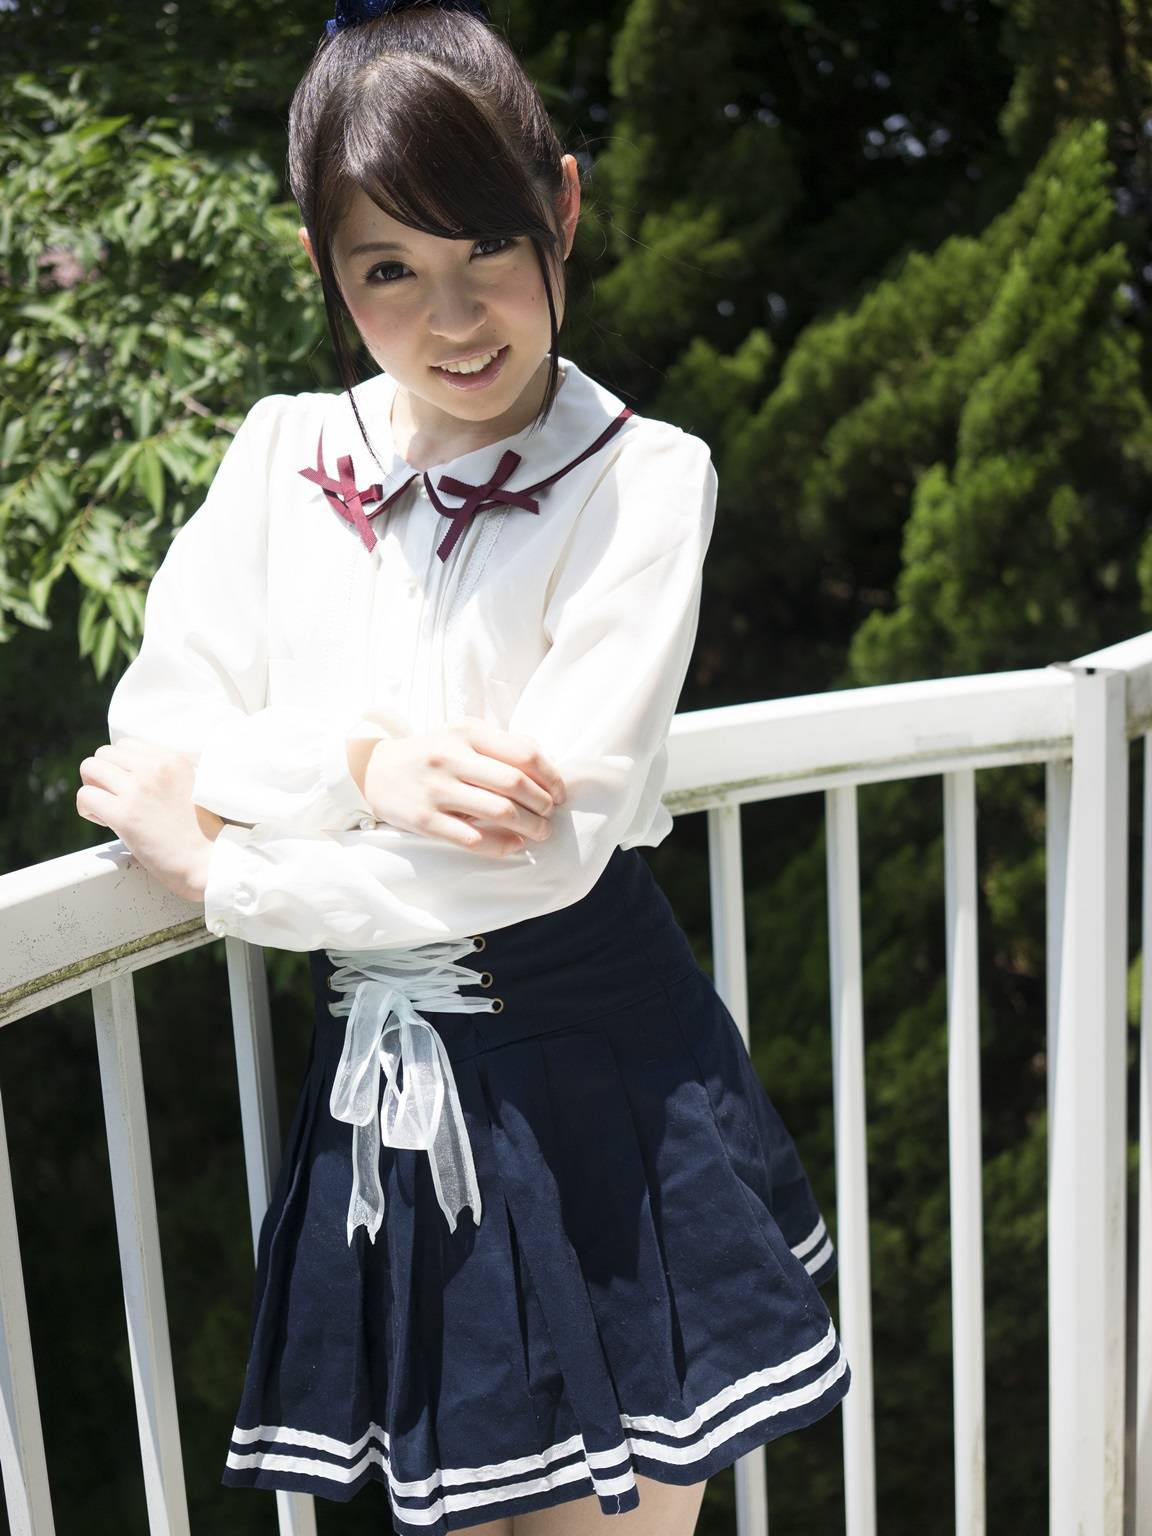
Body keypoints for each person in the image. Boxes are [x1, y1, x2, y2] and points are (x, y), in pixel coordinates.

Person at [75, 0, 852, 1531]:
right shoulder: (281, 456)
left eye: (487, 244)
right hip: (387, 1100)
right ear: (326, 270)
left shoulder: (642, 480)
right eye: (389, 270)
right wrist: (365, 762)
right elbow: (161, 731)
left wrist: (232, 875)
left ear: (562, 206)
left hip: (602, 1083)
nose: (455, 316)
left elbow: (545, 849)